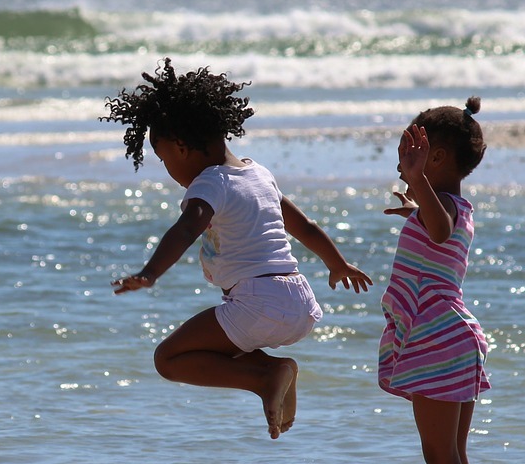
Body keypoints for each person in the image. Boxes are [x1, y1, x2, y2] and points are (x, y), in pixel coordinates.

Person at [104, 58, 372, 439]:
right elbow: (305, 227)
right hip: (299, 301)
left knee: (168, 358)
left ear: (181, 146)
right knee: (222, 346)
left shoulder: (210, 182)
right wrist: (338, 264)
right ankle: (272, 371)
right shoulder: (258, 173)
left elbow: (185, 229)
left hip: (258, 300)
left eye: (163, 159)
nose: (167, 169)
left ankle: (266, 378)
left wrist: (150, 273)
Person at [380, 97, 500, 464]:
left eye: (414, 152)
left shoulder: (444, 207)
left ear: (440, 157)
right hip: (451, 339)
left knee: (440, 458)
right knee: (454, 459)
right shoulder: (449, 202)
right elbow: (436, 226)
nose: (403, 161)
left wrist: (418, 188)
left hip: (437, 338)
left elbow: (440, 229)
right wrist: (415, 197)